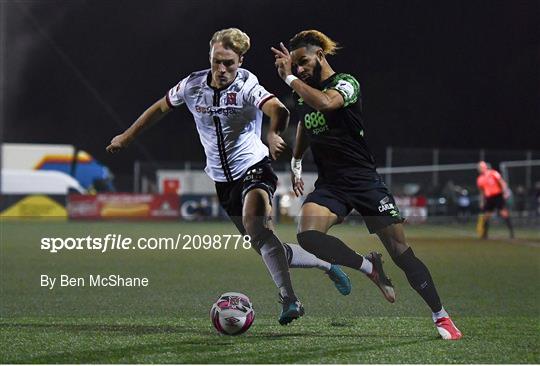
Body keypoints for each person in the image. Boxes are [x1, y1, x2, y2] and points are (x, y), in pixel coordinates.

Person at [107, 28, 352, 325]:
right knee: (266, 245)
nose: (222, 69)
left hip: (254, 167)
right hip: (222, 181)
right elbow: (161, 107)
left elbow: (278, 109)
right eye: (216, 62)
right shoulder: (192, 84)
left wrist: (272, 133)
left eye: (229, 63)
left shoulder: (247, 84)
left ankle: (289, 299)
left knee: (255, 225)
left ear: (240, 60)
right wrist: (127, 136)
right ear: (210, 57)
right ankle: (326, 264)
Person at [271, 30, 462, 340]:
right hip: (331, 184)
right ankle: (369, 267)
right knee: (308, 236)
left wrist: (290, 79)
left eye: (303, 62)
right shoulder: (304, 91)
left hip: (363, 181)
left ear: (320, 54)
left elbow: (324, 105)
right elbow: (305, 122)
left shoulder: (346, 83)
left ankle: (441, 317)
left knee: (401, 252)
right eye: (296, 65)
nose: (300, 69)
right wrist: (295, 163)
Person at [476, 161, 514, 239]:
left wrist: (505, 192)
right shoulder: (480, 179)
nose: (480, 169)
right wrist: (482, 201)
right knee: (486, 216)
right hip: (489, 198)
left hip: (498, 196)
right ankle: (485, 234)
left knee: (504, 213)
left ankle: (511, 233)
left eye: (482, 167)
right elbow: (482, 192)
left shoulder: (493, 173)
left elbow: (502, 183)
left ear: (485, 167)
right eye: (479, 168)